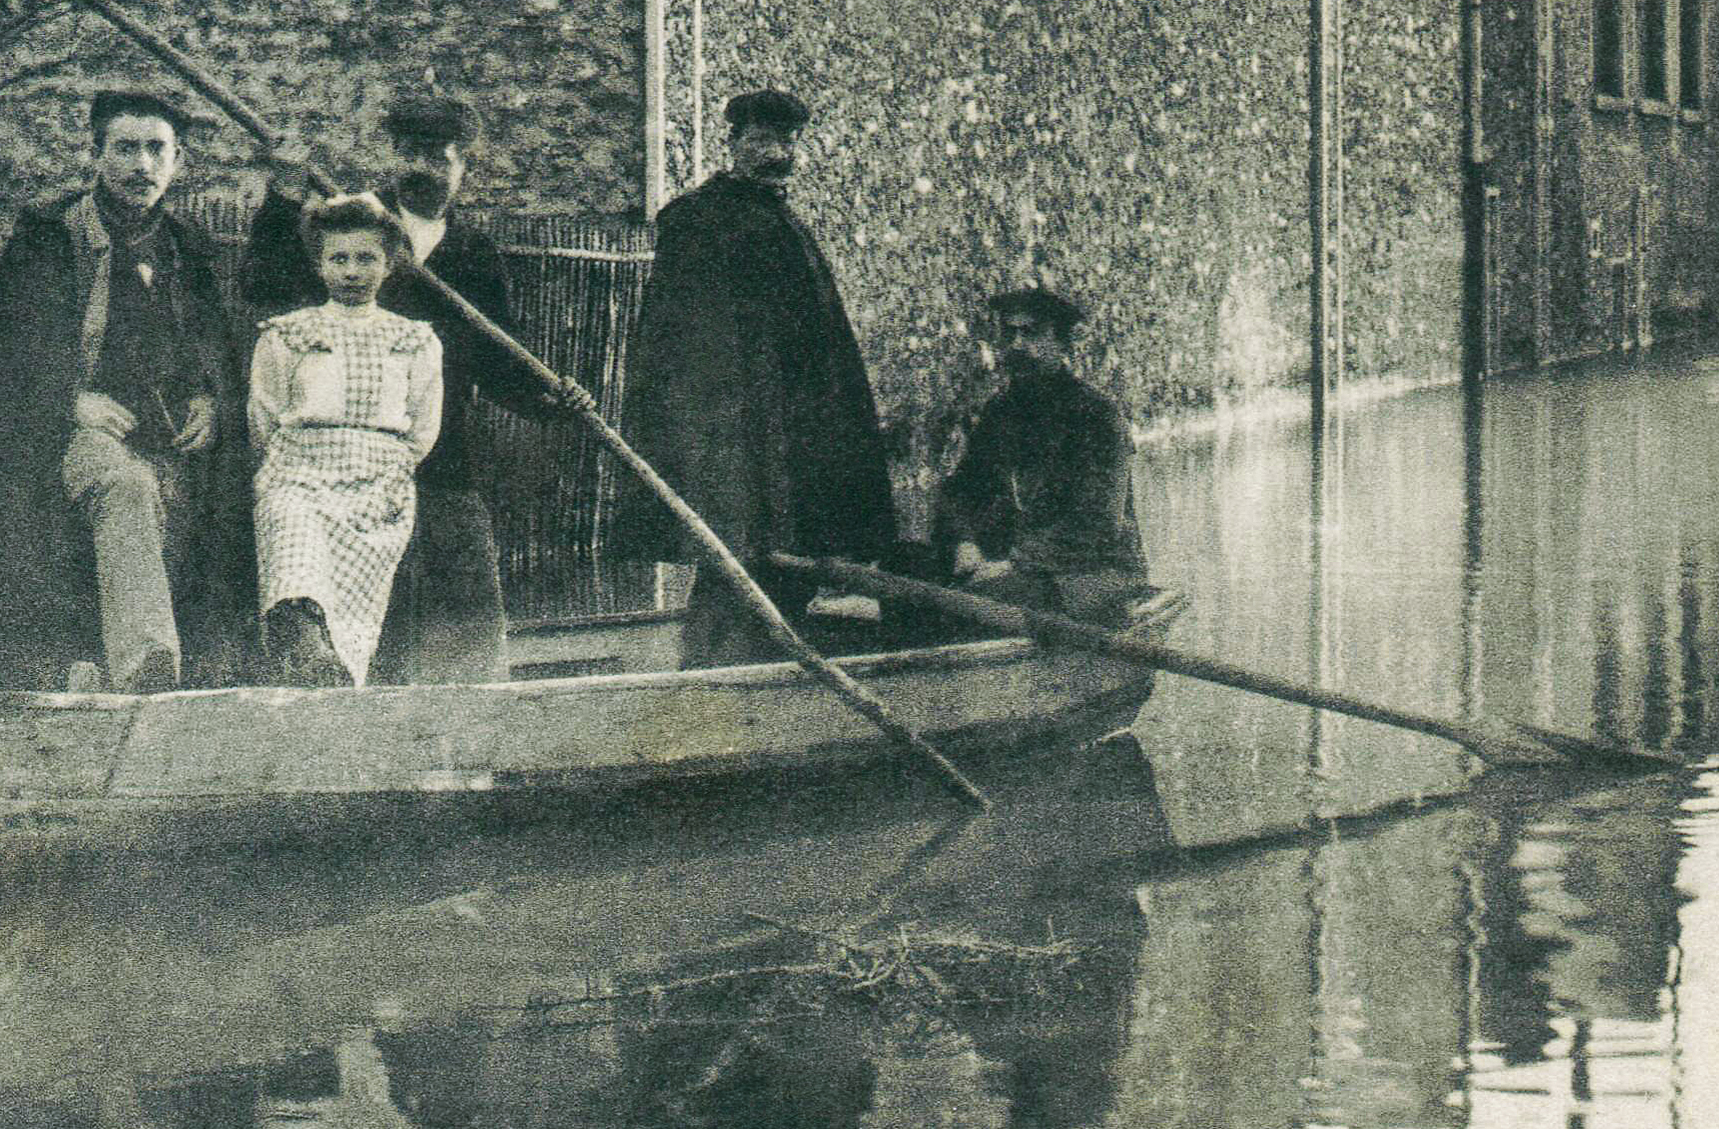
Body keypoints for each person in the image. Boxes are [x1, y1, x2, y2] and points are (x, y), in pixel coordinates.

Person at [0, 90, 247, 692]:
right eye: (125, 148)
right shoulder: (52, 239)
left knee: (188, 501)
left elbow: (216, 351)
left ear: (178, 160)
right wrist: (68, 400)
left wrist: (212, 401)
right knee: (124, 485)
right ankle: (147, 665)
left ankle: (100, 661)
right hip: (75, 435)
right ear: (96, 155)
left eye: (156, 150)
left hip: (169, 441)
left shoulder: (189, 252)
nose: (141, 166)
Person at [245, 94, 550, 683]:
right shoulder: (357, 227)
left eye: (439, 158)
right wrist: (283, 197)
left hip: (440, 459)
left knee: (467, 607)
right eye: (411, 154)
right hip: (340, 467)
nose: (423, 169)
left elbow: (501, 361)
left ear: (464, 166)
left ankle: (472, 728)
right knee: (355, 610)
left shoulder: (474, 254)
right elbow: (266, 283)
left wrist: (551, 399)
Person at [617, 88, 916, 669]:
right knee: (736, 565)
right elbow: (691, 353)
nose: (774, 154)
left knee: (782, 570)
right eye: (760, 141)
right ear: (733, 145)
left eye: (785, 142)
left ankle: (745, 668)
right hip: (734, 440)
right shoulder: (701, 221)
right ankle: (718, 677)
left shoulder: (784, 224)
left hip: (796, 436)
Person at [247, 195, 445, 687]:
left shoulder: (414, 340)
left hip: (379, 483)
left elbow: (423, 427)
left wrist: (387, 468)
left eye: (366, 258)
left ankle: (329, 670)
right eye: (339, 258)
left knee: (354, 613)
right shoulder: (288, 335)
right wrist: (297, 463)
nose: (352, 271)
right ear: (319, 264)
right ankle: (302, 636)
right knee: (292, 531)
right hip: (300, 472)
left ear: (389, 264)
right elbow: (264, 417)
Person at [935, 288, 1146, 625]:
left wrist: (1014, 563)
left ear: (1062, 344)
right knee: (903, 564)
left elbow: (1097, 524)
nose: (1018, 344)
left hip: (1092, 575)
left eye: (1031, 332)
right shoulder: (1000, 413)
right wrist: (964, 541)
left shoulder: (1097, 416)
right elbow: (960, 491)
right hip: (1021, 567)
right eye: (1010, 333)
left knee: (960, 606)